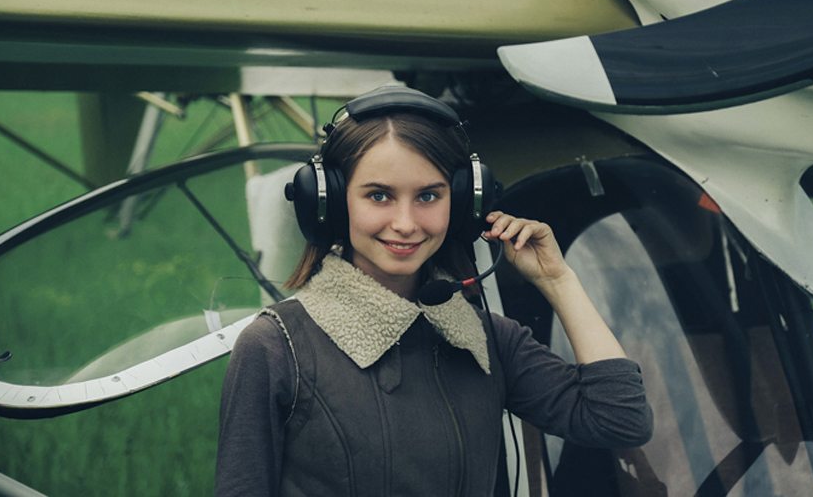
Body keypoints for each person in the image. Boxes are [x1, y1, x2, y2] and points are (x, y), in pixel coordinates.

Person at [215, 86, 652, 496]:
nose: (405, 223)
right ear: (329, 201)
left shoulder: (486, 340)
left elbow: (620, 419)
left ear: (462, 204)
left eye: (428, 196)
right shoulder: (276, 348)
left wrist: (559, 281)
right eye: (379, 196)